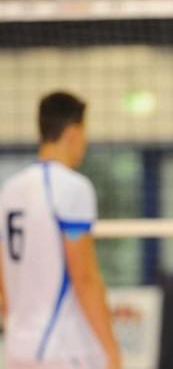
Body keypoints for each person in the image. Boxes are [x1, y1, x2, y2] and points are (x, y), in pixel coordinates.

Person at [0, 92, 120, 369]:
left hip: (17, 348)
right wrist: (112, 351)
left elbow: (3, 280)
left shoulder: (9, 190)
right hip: (62, 348)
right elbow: (84, 277)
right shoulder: (72, 187)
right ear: (73, 132)